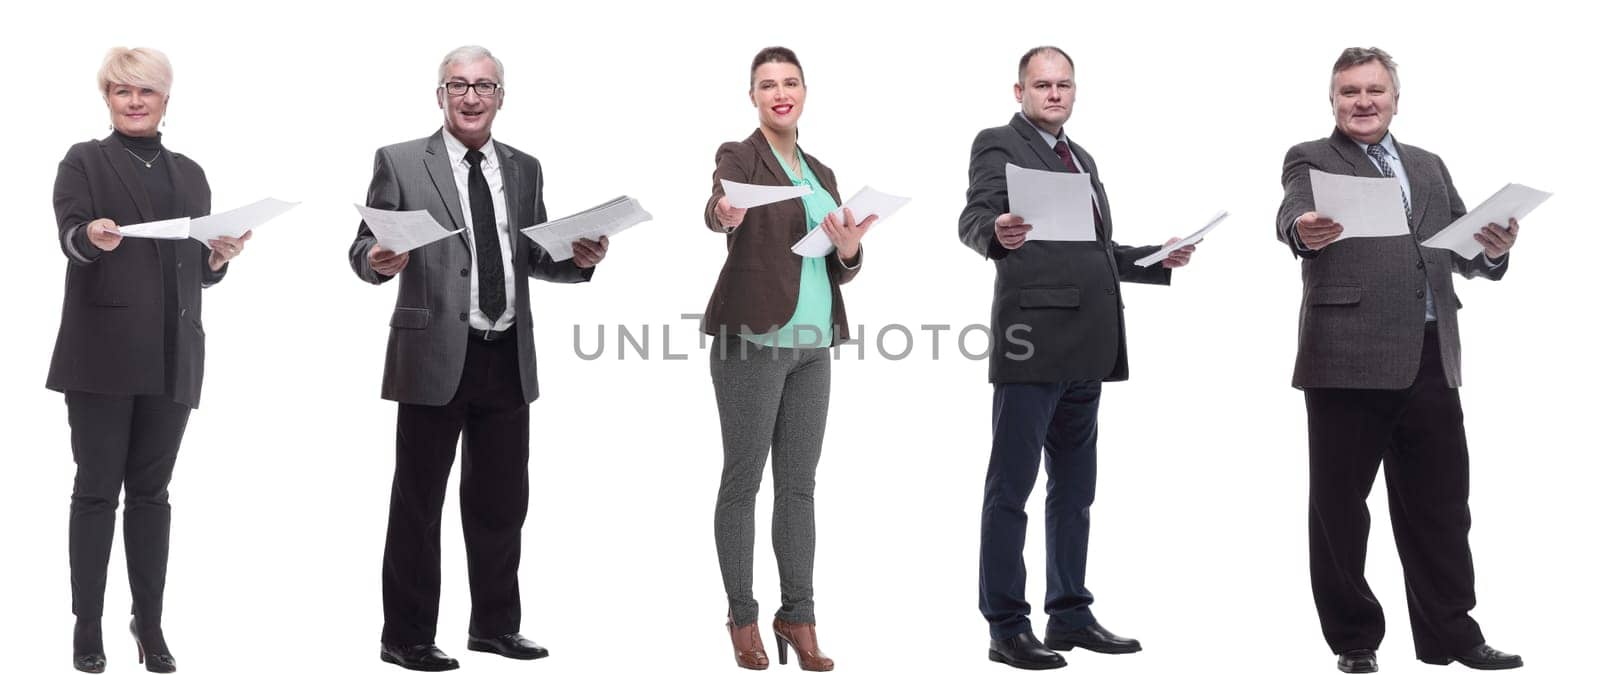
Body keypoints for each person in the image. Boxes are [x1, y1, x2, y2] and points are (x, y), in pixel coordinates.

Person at [348, 45, 609, 672]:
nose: (471, 97)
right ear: (439, 95)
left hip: (506, 352)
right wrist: (377, 261)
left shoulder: (524, 168)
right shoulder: (401, 161)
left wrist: (581, 259)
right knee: (418, 502)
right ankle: (405, 636)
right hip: (432, 352)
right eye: (458, 85)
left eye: (484, 86)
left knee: (500, 503)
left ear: (500, 97)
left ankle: (495, 626)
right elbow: (363, 247)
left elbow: (536, 255)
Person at [1276, 47, 1523, 674]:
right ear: (1332, 101)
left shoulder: (1427, 165)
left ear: (1394, 97)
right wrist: (1302, 229)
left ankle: (1452, 636)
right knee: (1340, 508)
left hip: (1430, 352)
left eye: (1374, 91)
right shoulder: (1311, 157)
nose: (1363, 102)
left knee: (1442, 504)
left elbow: (1462, 246)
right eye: (1349, 92)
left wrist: (1492, 246)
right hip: (1346, 355)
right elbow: (1291, 215)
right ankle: (1355, 640)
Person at [957, 46, 1194, 671]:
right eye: (1042, 85)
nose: (1054, 94)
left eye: (1064, 85)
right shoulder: (997, 143)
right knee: (1011, 490)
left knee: (1075, 492)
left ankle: (1068, 612)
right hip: (1032, 339)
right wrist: (994, 234)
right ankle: (1006, 626)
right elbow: (974, 215)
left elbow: (1096, 249)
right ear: (1020, 92)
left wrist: (1154, 257)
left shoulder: (1081, 158)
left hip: (1089, 345)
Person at [48, 46, 251, 675]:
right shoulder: (84, 160)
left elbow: (194, 272)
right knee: (96, 492)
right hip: (103, 356)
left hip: (174, 355)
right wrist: (91, 237)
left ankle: (150, 621)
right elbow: (70, 234)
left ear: (167, 99)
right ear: (106, 98)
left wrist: (218, 259)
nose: (135, 102)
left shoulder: (190, 173)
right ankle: (87, 625)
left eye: (147, 92)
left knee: (153, 495)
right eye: (122, 91)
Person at [701, 46, 874, 672]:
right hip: (752, 341)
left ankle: (797, 616)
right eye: (767, 84)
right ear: (753, 96)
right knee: (743, 482)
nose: (781, 92)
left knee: (798, 488)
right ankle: (742, 618)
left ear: (805, 91)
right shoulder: (740, 154)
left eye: (791, 82)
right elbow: (718, 206)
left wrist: (849, 248)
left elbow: (840, 266)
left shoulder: (820, 172)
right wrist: (725, 212)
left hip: (812, 345)